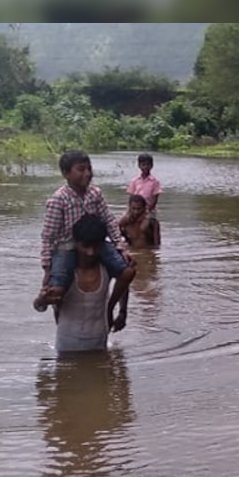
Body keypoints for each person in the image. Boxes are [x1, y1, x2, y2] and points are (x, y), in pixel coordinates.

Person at [34, 149, 132, 313]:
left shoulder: (95, 193)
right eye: (81, 169)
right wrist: (47, 267)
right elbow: (48, 236)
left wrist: (120, 246)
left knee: (127, 272)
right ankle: (48, 307)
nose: (87, 173)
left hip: (95, 242)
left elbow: (109, 220)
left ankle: (111, 307)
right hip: (67, 247)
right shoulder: (58, 199)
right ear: (66, 173)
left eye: (89, 169)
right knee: (56, 291)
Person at [53, 213, 134, 354]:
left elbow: (124, 279)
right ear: (76, 243)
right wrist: (42, 300)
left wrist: (117, 310)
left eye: (96, 247)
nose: (90, 253)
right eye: (86, 246)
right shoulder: (65, 271)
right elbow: (44, 304)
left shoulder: (105, 268)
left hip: (99, 342)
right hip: (67, 345)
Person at [127, 152, 162, 233]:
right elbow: (131, 197)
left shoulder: (155, 182)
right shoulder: (134, 181)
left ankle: (155, 243)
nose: (145, 167)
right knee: (122, 222)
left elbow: (155, 199)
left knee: (144, 227)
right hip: (135, 208)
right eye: (143, 165)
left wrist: (147, 211)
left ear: (151, 166)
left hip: (149, 210)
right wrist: (130, 210)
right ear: (139, 165)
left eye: (148, 165)